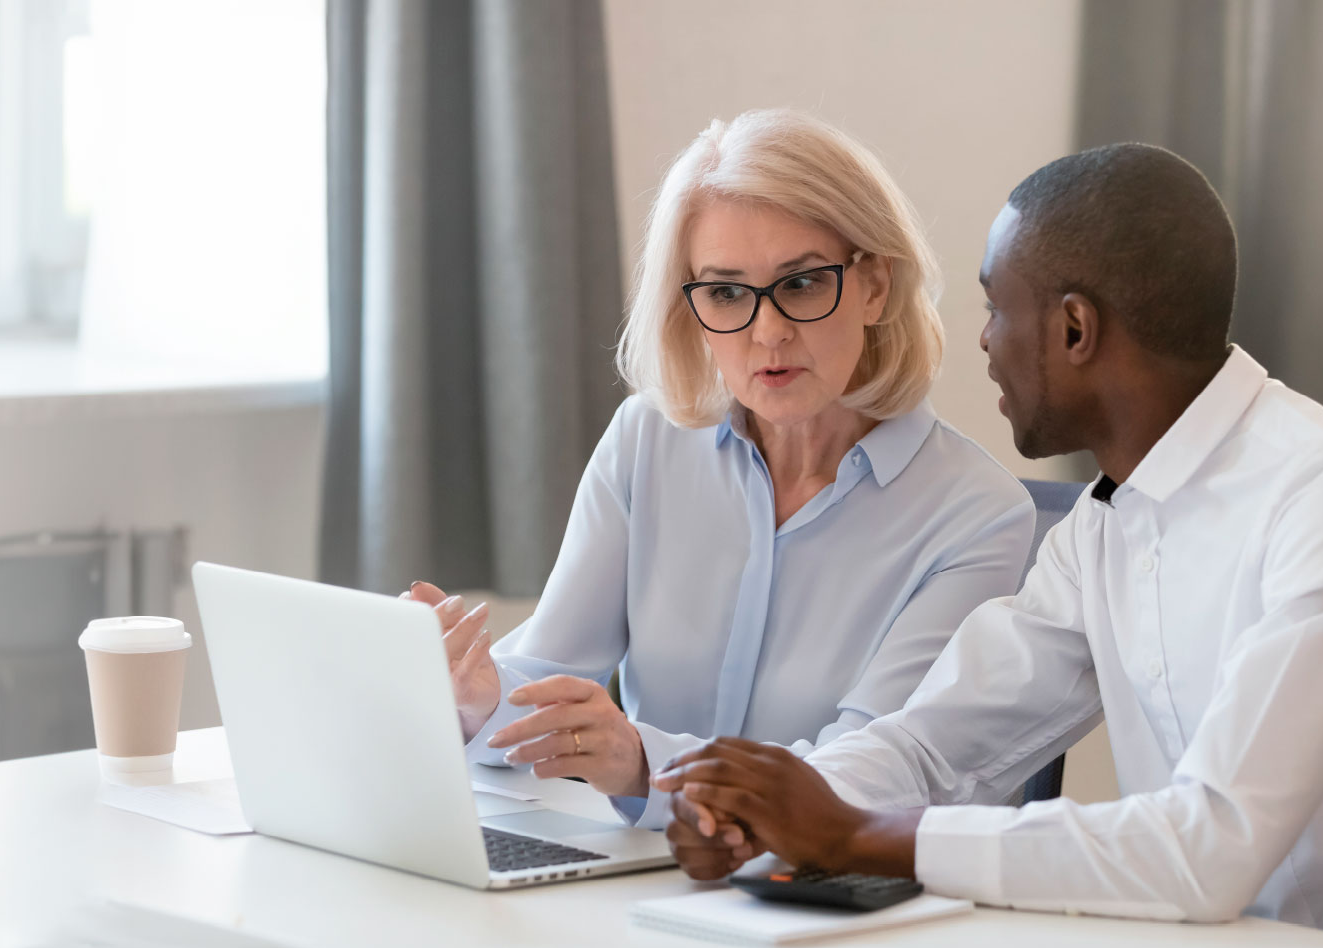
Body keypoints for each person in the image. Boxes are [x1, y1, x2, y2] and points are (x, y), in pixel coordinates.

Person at [648, 143, 1323, 948]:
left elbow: (1207, 849)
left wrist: (848, 834)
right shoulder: (1106, 524)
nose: (985, 342)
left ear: (1074, 330)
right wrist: (768, 807)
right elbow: (935, 744)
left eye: (998, 309)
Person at [401, 108, 1034, 830]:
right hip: (642, 879)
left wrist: (643, 762)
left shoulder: (980, 515)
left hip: (830, 907)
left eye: (801, 284)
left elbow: (869, 776)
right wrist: (478, 693)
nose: (768, 331)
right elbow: (552, 674)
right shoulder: (647, 442)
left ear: (874, 286)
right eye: (727, 292)